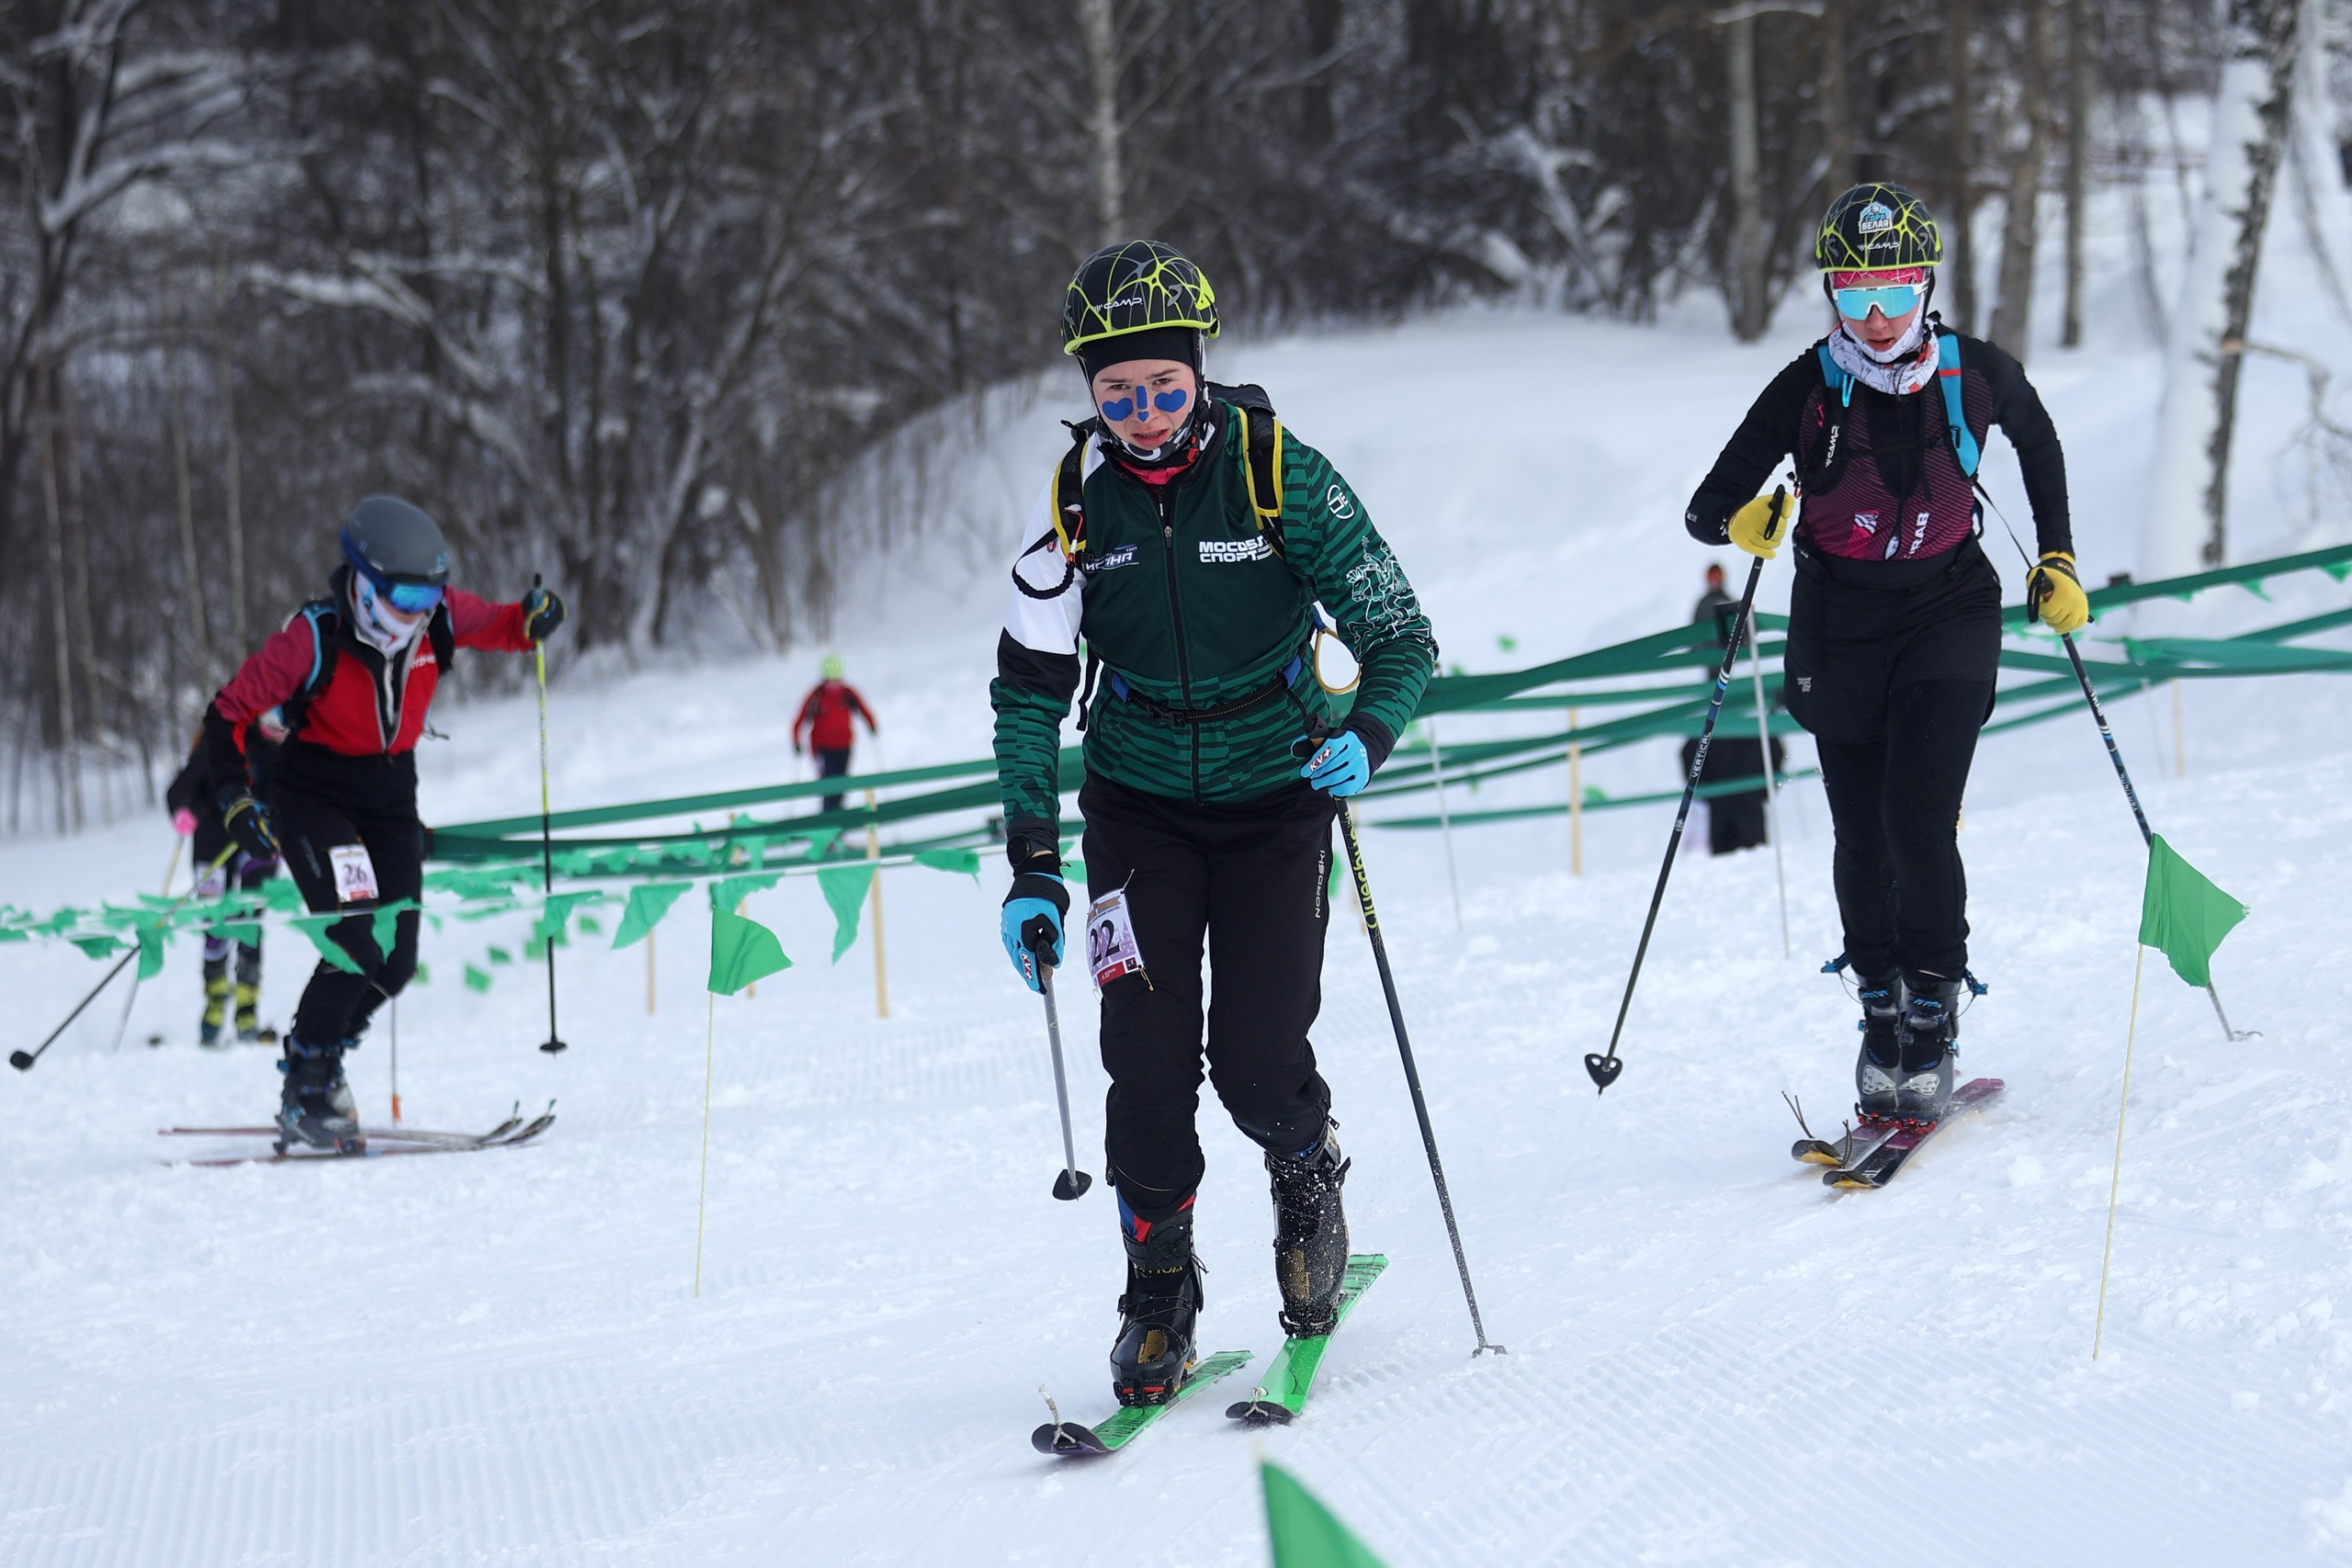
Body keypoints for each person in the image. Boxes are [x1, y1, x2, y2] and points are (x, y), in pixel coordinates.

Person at [990, 240, 1437, 1407]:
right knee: (1141, 1068)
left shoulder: (1280, 472)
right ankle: (1159, 1290)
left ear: (1200, 370)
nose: (1141, 415)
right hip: (1136, 810)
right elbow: (1028, 694)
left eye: (1163, 387)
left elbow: (1400, 632)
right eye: (1114, 393)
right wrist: (1031, 862)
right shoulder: (1073, 511)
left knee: (1252, 1058)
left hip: (1277, 798)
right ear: (1089, 392)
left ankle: (1305, 1174)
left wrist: (1369, 734)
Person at [1682, 183, 2086, 1127]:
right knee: (1861, 834)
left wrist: (2059, 556)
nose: (1874, 316)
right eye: (1853, 293)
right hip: (1840, 626)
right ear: (1830, 293)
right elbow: (1707, 509)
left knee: (1916, 818)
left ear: (1925, 284)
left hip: (1949, 610)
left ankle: (1931, 1009)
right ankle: (1877, 1010)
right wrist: (1745, 521)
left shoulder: (1972, 374)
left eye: (1894, 290)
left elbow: (2039, 441)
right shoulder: (1805, 389)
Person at [201, 497, 566, 1150]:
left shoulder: (439, 616)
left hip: (392, 791)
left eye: (428, 595)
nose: (417, 611)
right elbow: (225, 711)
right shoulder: (311, 637)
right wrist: (233, 795)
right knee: (357, 938)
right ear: (365, 583)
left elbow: (509, 625)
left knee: (393, 960)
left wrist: (535, 617)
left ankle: (319, 1058)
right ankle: (308, 1082)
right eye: (402, 595)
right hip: (315, 793)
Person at [164, 715, 284, 1045]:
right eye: (274, 726)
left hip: (259, 842)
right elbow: (180, 789)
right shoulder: (221, 742)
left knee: (250, 921)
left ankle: (247, 1008)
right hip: (213, 839)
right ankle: (215, 1002)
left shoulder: (287, 752)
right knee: (216, 924)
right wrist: (183, 810)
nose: (280, 734)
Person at [1684, 563, 1785, 855]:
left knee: (1749, 856)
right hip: (1729, 806)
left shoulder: (1724, 605)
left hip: (1742, 803)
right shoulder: (1706, 606)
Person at [792, 655, 878, 813]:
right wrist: (796, 740)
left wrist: (871, 724)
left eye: (836, 680)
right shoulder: (816, 696)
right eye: (829, 681)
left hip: (844, 745)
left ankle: (838, 825)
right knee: (829, 785)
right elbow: (800, 718)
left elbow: (863, 708)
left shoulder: (848, 693)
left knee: (842, 784)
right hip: (822, 748)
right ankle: (827, 825)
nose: (833, 685)